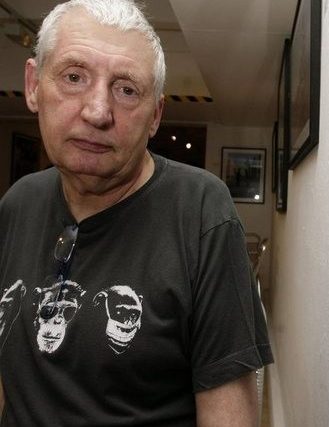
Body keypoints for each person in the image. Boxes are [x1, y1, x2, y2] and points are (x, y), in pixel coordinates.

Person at [0, 0, 272, 425]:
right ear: (33, 85)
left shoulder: (201, 212)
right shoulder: (18, 203)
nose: (97, 111)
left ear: (155, 116)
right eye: (74, 77)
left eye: (127, 90)